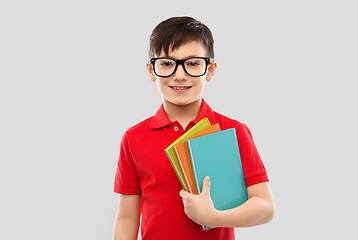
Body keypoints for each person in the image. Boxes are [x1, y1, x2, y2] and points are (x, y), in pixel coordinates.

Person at [113, 16, 275, 240]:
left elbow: (265, 206)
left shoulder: (233, 131)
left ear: (210, 69)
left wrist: (214, 217)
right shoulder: (133, 138)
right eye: (167, 63)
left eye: (193, 63)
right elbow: (127, 218)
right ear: (151, 70)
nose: (180, 75)